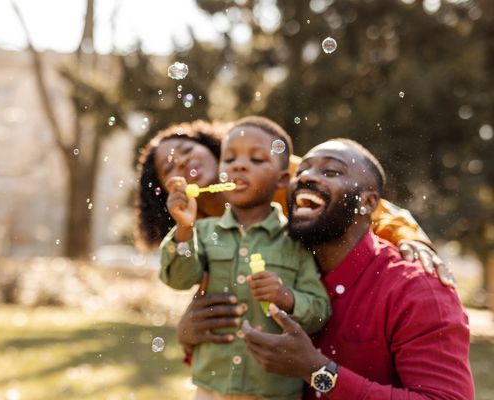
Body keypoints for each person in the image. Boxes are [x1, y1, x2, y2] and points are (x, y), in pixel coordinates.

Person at [239, 138, 474, 399]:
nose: (306, 177)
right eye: (302, 170)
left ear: (368, 202)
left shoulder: (418, 289)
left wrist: (318, 372)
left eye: (331, 171)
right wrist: (191, 338)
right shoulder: (280, 273)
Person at [134, 120, 447, 279]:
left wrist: (410, 237)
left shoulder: (276, 176)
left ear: (210, 146)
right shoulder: (195, 226)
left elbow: (359, 203)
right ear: (162, 186)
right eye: (169, 167)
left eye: (187, 151)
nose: (183, 163)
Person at [159, 116, 330, 399]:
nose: (239, 165)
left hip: (273, 392)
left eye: (257, 159)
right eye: (229, 159)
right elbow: (179, 278)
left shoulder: (296, 242)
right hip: (210, 390)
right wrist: (184, 228)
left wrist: (287, 297)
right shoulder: (201, 231)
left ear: (283, 178)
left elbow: (320, 311)